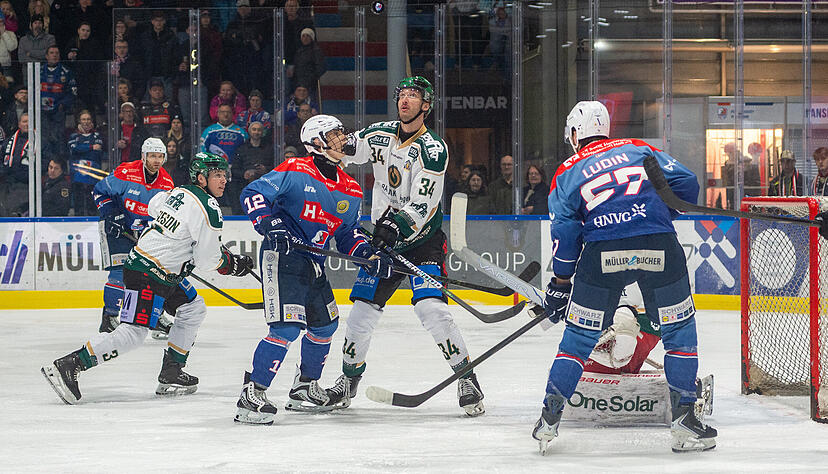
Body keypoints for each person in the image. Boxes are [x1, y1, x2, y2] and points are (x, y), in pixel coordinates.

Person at [535, 100, 715, 454]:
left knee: (578, 339)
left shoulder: (567, 170)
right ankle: (684, 421)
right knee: (679, 332)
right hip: (658, 246)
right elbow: (686, 182)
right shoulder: (639, 149)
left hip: (602, 253)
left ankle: (549, 419)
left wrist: (561, 284)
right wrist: (664, 212)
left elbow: (565, 232)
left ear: (575, 134)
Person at [42, 152, 253, 404]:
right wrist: (233, 264)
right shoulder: (208, 207)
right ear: (201, 178)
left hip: (156, 269)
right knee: (133, 333)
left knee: (193, 308)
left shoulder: (178, 192)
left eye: (224, 174)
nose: (224, 180)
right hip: (149, 273)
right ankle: (71, 364)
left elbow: (154, 204)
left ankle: (172, 371)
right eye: (217, 175)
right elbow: (208, 260)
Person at [330, 76, 486, 416]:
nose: (405, 100)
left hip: (421, 242)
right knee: (360, 315)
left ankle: (467, 379)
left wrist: (395, 226)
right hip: (385, 245)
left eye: (414, 96)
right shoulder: (380, 133)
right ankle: (348, 380)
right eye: (402, 94)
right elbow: (348, 149)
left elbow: (424, 203)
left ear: (426, 105)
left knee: (433, 311)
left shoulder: (434, 149)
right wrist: (331, 141)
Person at [234, 115, 390, 424]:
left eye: (342, 133)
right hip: (284, 257)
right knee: (286, 328)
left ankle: (304, 387)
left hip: (314, 264)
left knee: (325, 326)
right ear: (316, 142)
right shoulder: (295, 168)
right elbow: (252, 194)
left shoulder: (351, 188)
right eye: (334, 135)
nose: (343, 139)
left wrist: (367, 255)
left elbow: (347, 234)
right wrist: (269, 223)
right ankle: (252, 394)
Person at [91, 137, 175, 336]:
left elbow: (164, 214)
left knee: (154, 274)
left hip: (143, 232)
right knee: (119, 272)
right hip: (116, 228)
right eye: (152, 156)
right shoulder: (126, 172)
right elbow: (99, 191)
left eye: (160, 156)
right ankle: (110, 317)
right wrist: (111, 214)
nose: (156, 160)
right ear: (143, 156)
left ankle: (155, 317)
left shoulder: (167, 183)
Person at [67, 110, 101, 216]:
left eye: (88, 119)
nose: (86, 122)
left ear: (92, 121)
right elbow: (74, 149)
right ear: (79, 121)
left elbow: (97, 152)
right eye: (83, 119)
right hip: (77, 175)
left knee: (91, 202)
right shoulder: (73, 136)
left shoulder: (97, 135)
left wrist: (82, 149)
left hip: (92, 174)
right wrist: (90, 147)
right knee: (78, 202)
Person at [0, 112, 29, 217]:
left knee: (15, 209)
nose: (27, 124)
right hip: (7, 182)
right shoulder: (9, 141)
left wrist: (26, 174)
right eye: (24, 121)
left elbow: (44, 161)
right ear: (19, 124)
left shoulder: (40, 142)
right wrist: (4, 171)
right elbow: (1, 159)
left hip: (26, 184)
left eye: (30, 122)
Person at [291, 28, 325, 98]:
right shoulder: (299, 51)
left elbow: (321, 68)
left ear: (312, 38)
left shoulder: (316, 51)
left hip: (310, 85)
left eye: (308, 36)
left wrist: (310, 80)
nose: (305, 38)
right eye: (303, 36)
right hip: (298, 83)